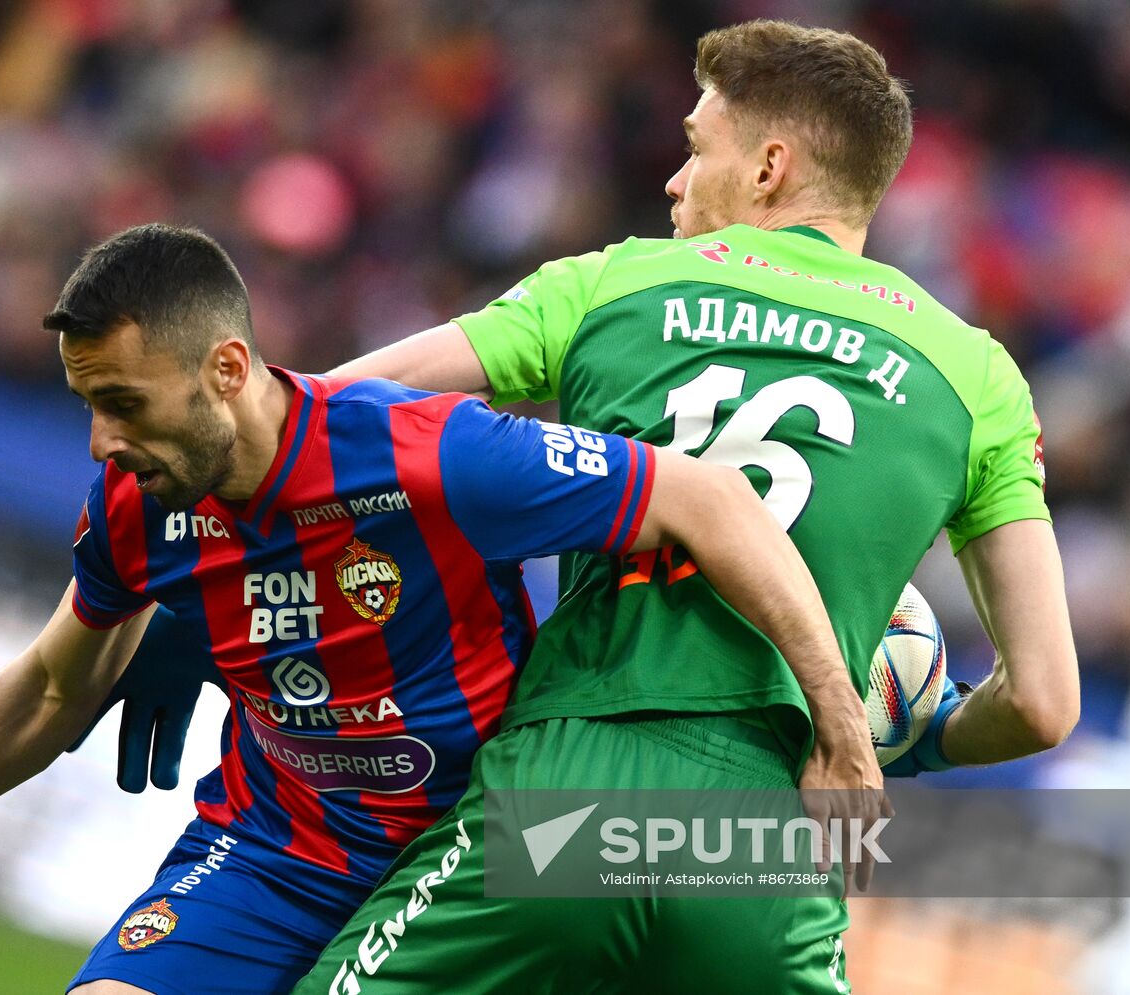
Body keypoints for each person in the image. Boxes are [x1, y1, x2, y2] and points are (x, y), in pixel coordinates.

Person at [0, 223, 873, 993]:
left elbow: (707, 497)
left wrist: (836, 719)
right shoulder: (135, 501)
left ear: (228, 367)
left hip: (474, 855)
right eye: (88, 405)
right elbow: (56, 683)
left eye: (122, 404)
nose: (102, 442)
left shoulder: (429, 456)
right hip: (274, 848)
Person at [289, 20, 1081, 993]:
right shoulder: (977, 377)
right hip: (772, 842)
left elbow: (321, 418)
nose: (672, 179)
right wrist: (906, 736)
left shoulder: (614, 284)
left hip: (573, 794)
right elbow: (1043, 702)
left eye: (696, 147)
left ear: (767, 168)